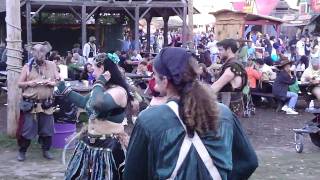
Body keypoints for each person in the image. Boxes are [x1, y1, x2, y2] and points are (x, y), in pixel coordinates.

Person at [124, 47, 258, 180]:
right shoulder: (224, 113)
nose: (153, 78)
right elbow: (249, 162)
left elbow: (133, 174)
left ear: (165, 80)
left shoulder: (149, 120)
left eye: (154, 74)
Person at [57, 53, 131, 179]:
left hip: (109, 148)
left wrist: (99, 82)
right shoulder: (102, 90)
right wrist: (62, 86)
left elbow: (97, 105)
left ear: (102, 69)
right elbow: (85, 103)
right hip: (89, 145)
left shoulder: (118, 92)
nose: (92, 72)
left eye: (94, 68)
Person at [16, 42, 60, 161]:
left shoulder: (51, 65)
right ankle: (22, 151)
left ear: (45, 54)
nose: (40, 55)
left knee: (47, 129)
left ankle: (46, 150)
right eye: (37, 53)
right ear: (33, 54)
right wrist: (29, 83)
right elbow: (19, 84)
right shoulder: (27, 66)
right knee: (28, 129)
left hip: (46, 103)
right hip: (31, 104)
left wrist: (53, 83)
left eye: (42, 53)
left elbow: (58, 79)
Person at [211, 39, 248, 116]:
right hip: (230, 108)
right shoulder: (233, 64)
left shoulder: (232, 66)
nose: (218, 52)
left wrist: (200, 96)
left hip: (228, 109)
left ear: (229, 49)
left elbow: (218, 85)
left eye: (220, 49)